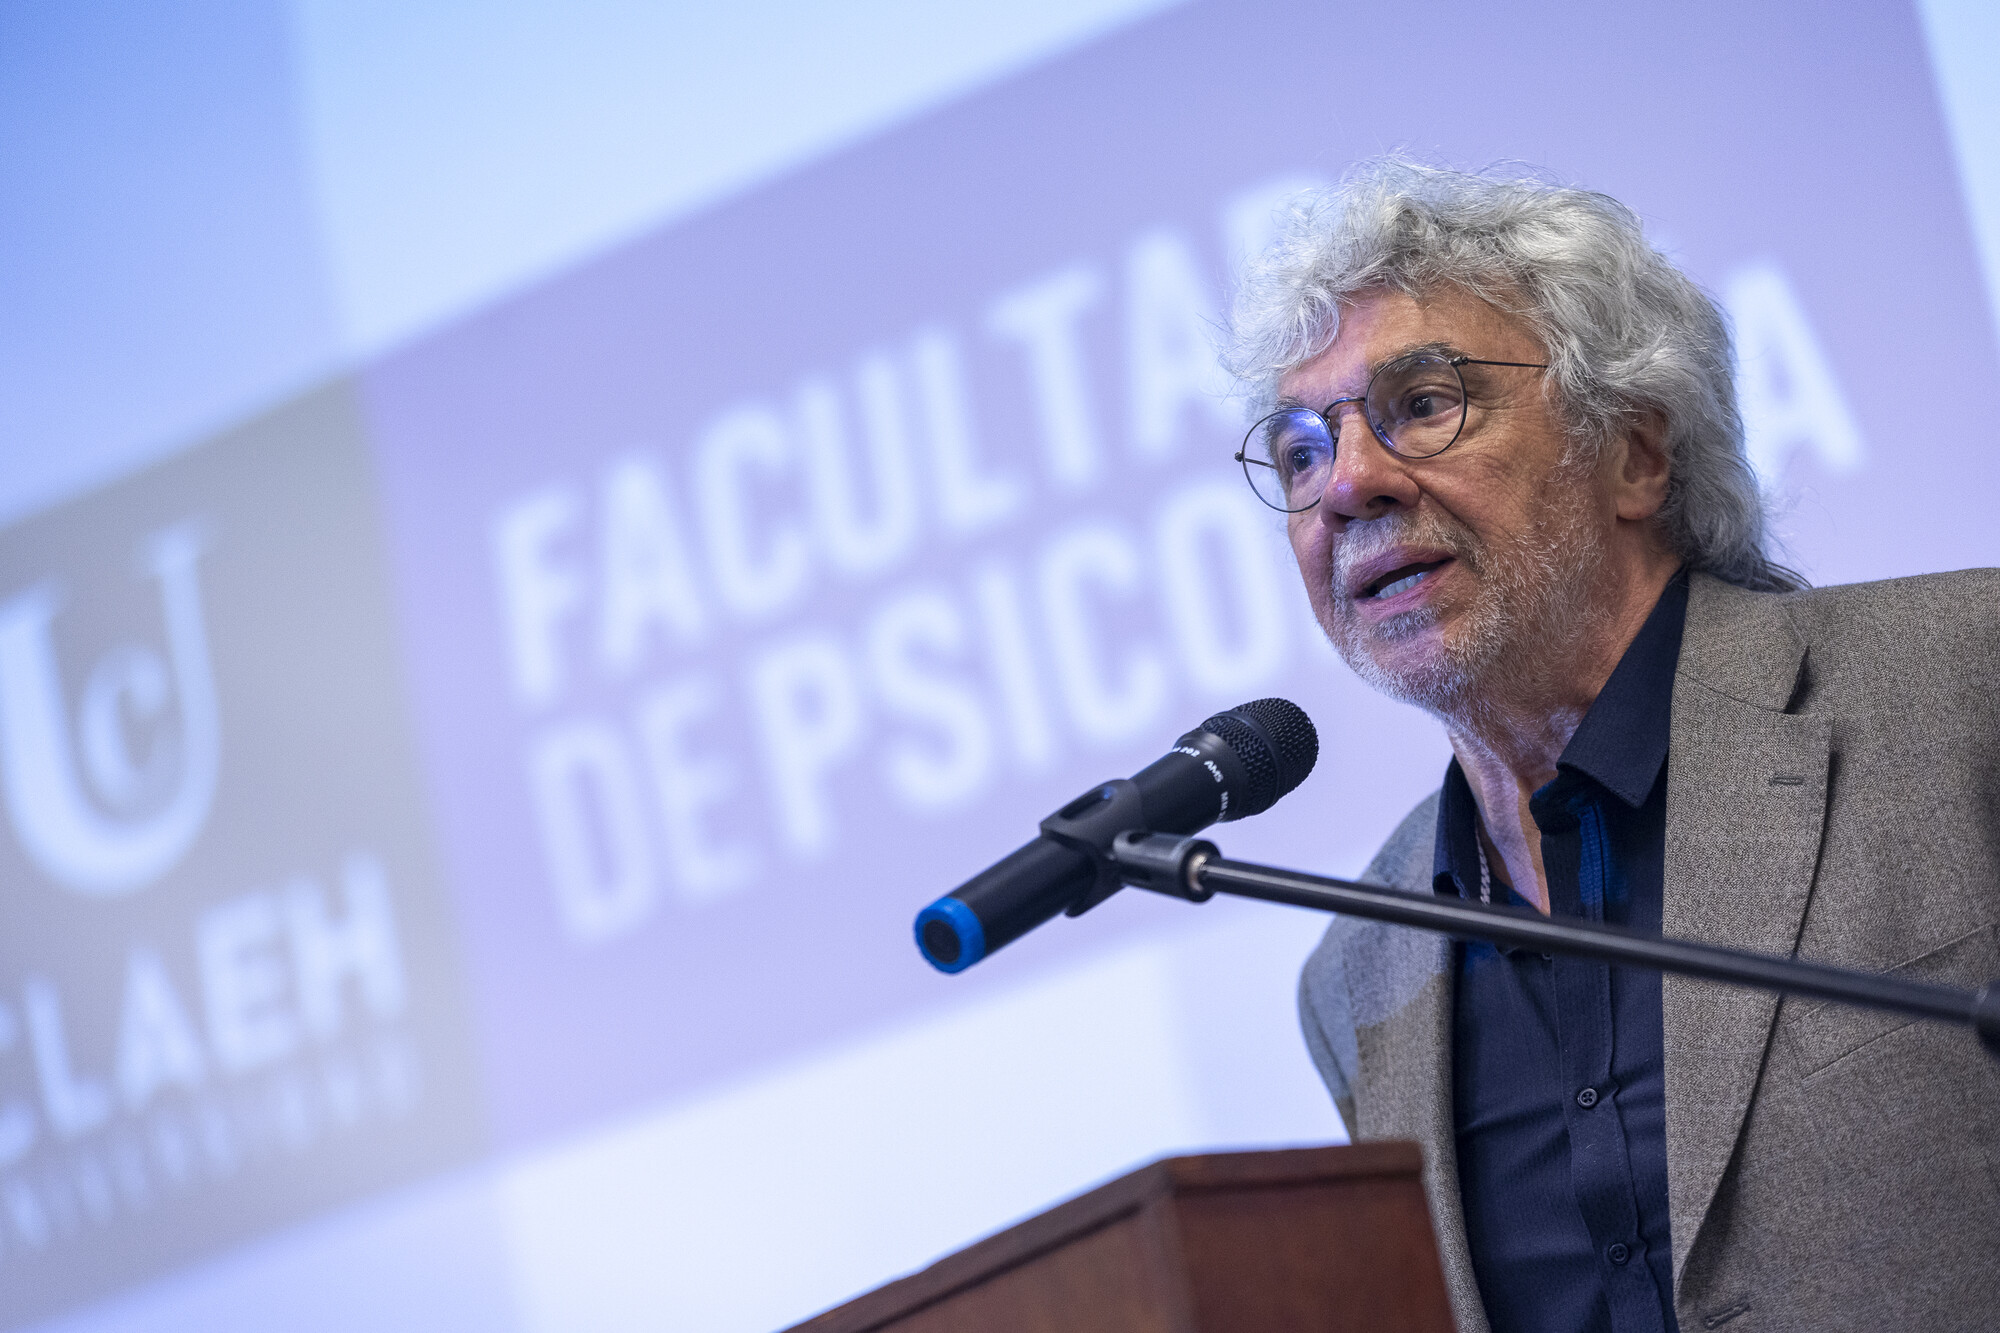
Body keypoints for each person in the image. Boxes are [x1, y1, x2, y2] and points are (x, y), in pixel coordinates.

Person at [1224, 161, 2000, 1333]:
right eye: (1298, 452)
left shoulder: (1963, 683)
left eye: (1422, 403)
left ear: (1635, 450)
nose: (1347, 485)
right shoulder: (1356, 978)